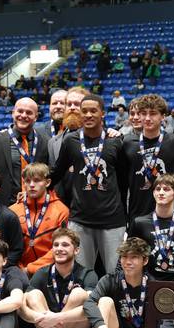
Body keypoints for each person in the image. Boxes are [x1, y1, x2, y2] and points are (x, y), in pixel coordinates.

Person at [50, 94, 127, 274]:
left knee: (115, 274)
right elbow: (57, 173)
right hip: (80, 220)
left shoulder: (115, 141)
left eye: (94, 111)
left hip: (112, 219)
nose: (89, 115)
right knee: (81, 274)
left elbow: (124, 181)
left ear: (103, 114)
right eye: (84, 111)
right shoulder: (71, 141)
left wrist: (125, 214)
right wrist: (33, 190)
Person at [20, 228, 98, 328]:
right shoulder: (41, 273)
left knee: (80, 294)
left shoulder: (88, 274)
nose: (59, 249)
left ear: (76, 250)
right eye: (56, 245)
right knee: (32, 295)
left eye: (65, 245)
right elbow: (22, 309)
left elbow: (93, 310)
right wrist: (38, 317)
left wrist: (56, 318)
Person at [83, 237, 151, 328]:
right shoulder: (110, 280)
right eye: (124, 257)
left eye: (134, 257)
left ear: (145, 260)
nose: (127, 262)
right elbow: (89, 303)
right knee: (105, 301)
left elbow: (162, 321)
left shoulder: (154, 285)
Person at [122, 94, 174, 224]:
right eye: (143, 113)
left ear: (163, 116)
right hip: (137, 213)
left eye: (153, 113)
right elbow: (123, 182)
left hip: (168, 214)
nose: (147, 118)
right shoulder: (127, 142)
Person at [130, 174, 174, 282]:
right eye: (158, 189)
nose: (161, 192)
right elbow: (128, 252)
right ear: (153, 193)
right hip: (150, 278)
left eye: (166, 189)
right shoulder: (140, 223)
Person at [0, 97, 50, 206]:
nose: (24, 115)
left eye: (29, 113)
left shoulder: (46, 142)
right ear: (13, 113)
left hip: (37, 206)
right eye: (20, 111)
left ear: (36, 117)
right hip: (4, 208)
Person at [10, 163, 69, 276]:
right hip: (18, 272)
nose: (32, 185)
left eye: (37, 180)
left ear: (47, 182)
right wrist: (19, 269)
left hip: (50, 271)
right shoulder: (13, 211)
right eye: (28, 181)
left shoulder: (61, 211)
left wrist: (31, 269)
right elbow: (8, 247)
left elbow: (61, 247)